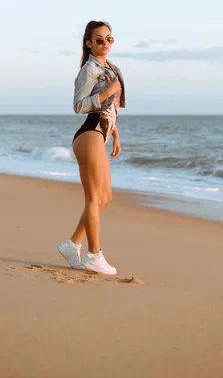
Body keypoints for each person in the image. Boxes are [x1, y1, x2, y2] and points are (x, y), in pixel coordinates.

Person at [57, 20, 125, 275]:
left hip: (101, 134)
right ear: (89, 43)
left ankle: (72, 244)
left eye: (109, 39)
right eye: (99, 40)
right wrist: (108, 91)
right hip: (90, 134)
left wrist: (116, 135)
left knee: (105, 198)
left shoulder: (110, 68)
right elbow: (79, 105)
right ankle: (95, 255)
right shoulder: (90, 69)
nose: (105, 43)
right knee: (94, 198)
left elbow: (110, 110)